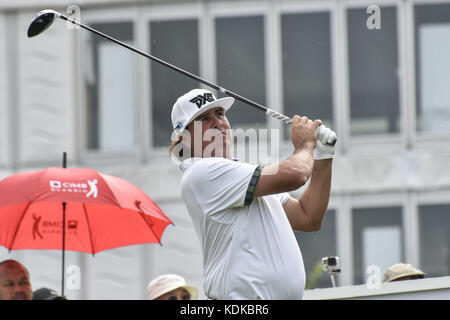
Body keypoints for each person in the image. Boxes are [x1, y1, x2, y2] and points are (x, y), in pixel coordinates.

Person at [169, 88, 336, 299]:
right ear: (185, 138)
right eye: (204, 119)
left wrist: (323, 156)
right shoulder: (200, 173)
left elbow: (308, 216)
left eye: (220, 114)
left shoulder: (244, 175)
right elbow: (296, 174)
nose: (218, 123)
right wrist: (306, 145)